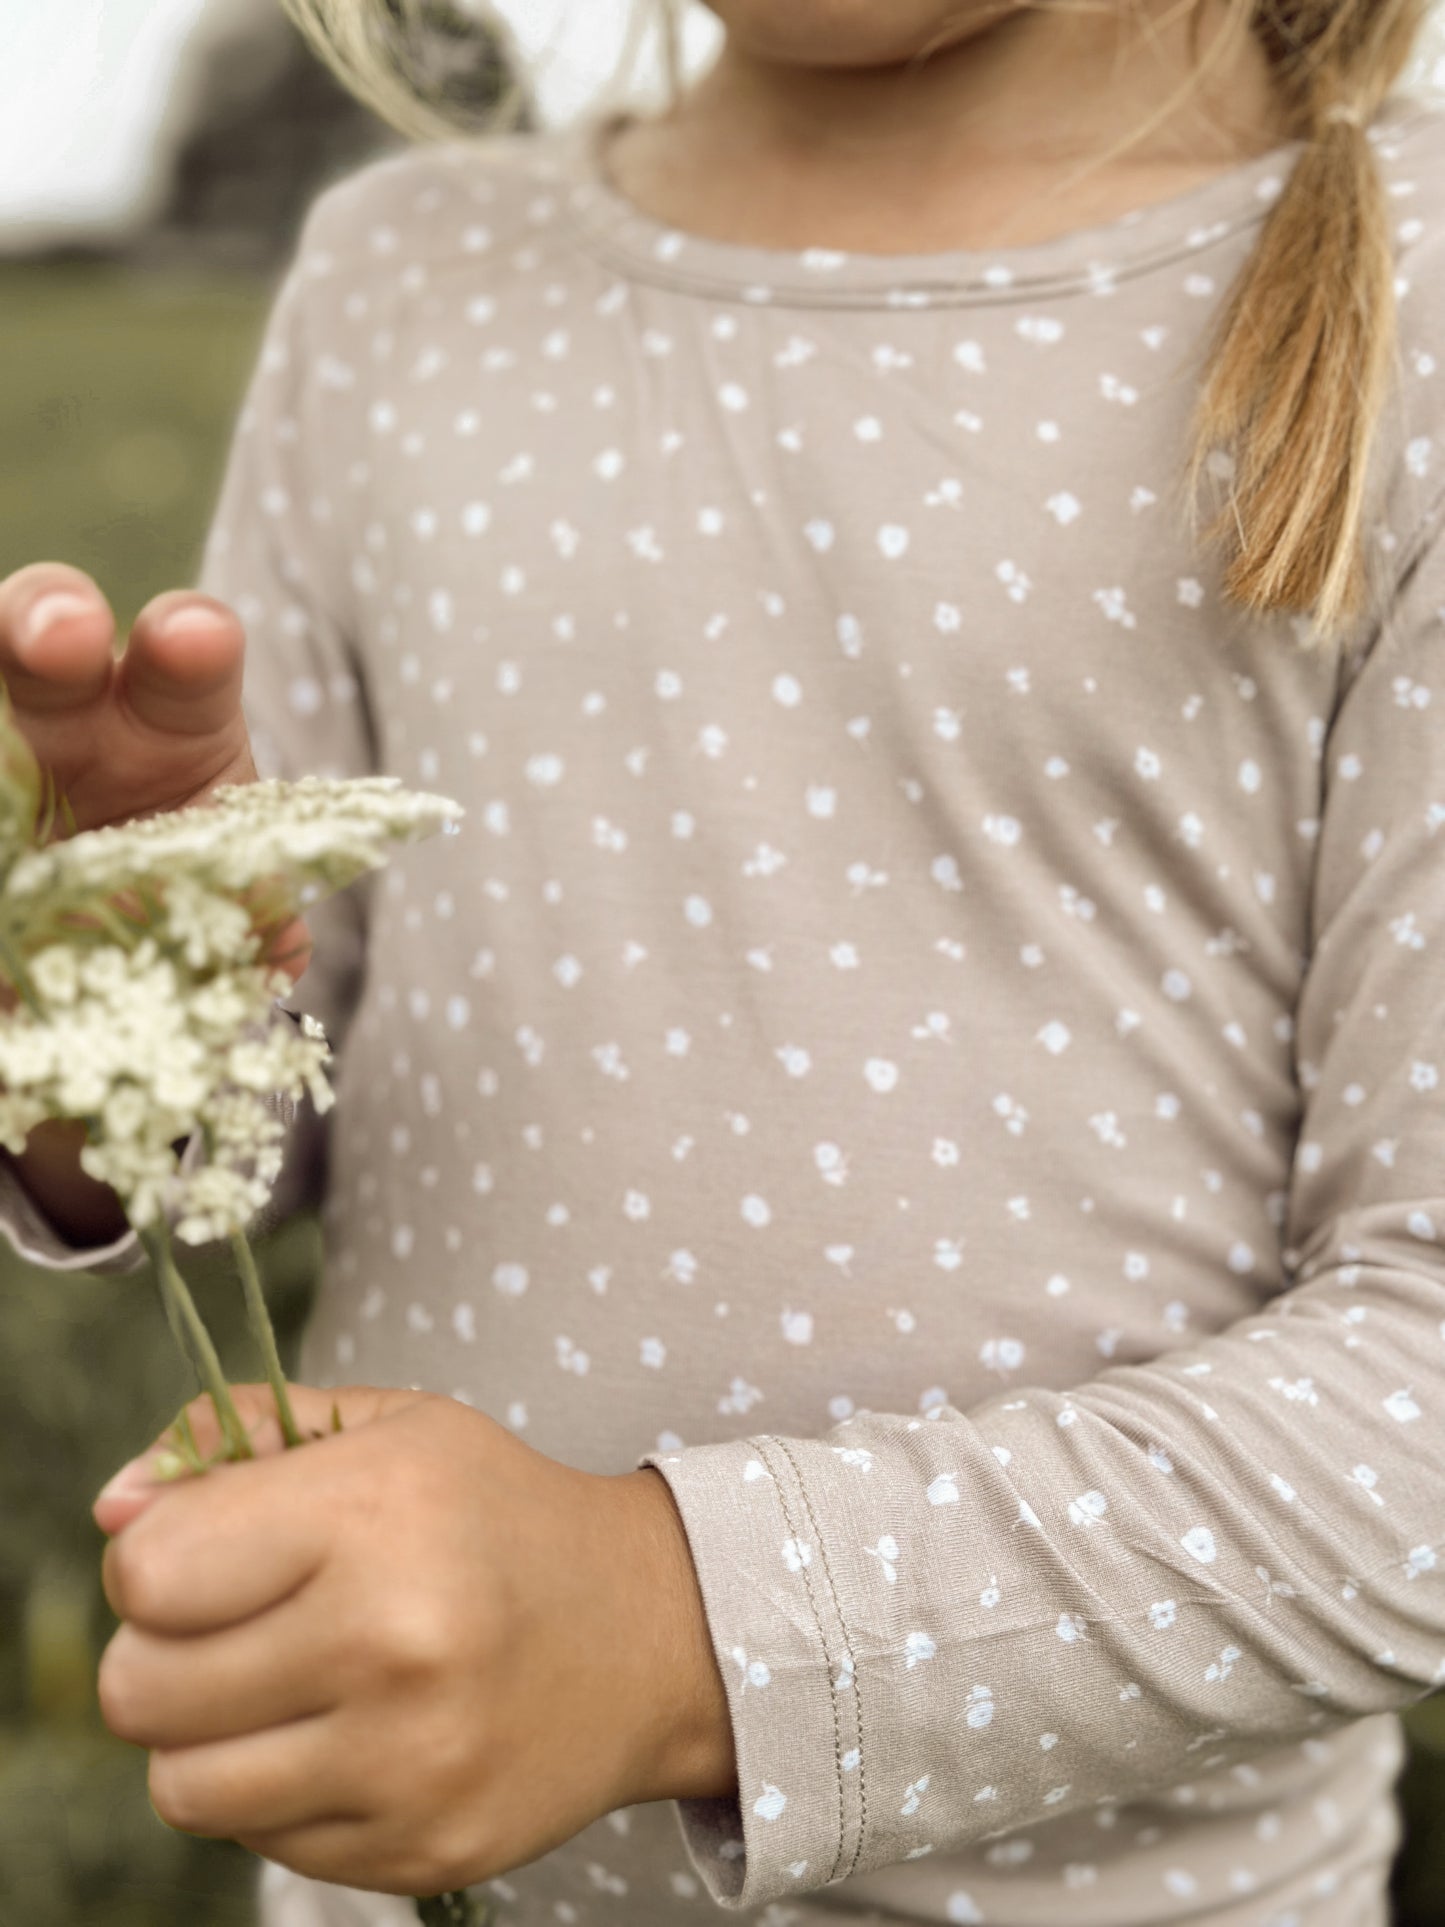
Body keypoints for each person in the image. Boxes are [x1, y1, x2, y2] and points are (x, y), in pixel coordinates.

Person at [3, 1, 1445, 1922]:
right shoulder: (404, 284)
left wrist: (669, 1628)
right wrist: (128, 1025)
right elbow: (263, 1126)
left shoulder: (1404, 306)